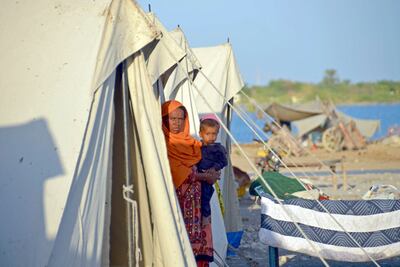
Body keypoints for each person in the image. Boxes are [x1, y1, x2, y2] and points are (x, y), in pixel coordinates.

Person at [161, 100, 219, 267]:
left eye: (180, 119)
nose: (177, 123)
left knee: (199, 240)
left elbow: (207, 162)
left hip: (199, 203)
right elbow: (178, 172)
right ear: (165, 119)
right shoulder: (164, 143)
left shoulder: (192, 143)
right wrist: (204, 177)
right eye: (173, 119)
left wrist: (213, 173)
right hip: (178, 202)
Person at [197, 114, 227, 226]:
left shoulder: (218, 149)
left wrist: (214, 168)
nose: (211, 137)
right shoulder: (198, 146)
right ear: (201, 134)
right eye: (208, 134)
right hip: (198, 175)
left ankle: (206, 216)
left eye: (214, 134)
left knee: (205, 196)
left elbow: (224, 162)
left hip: (208, 177)